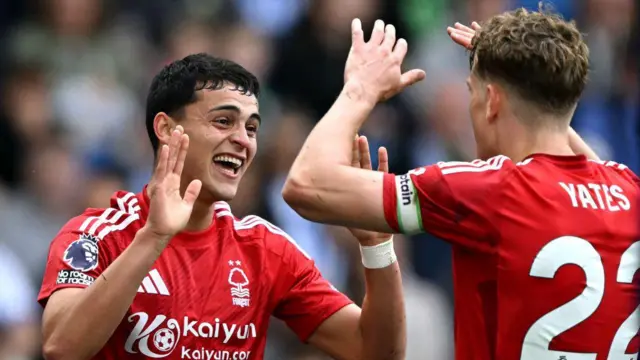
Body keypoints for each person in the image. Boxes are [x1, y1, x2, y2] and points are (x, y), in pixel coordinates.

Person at [283, 9, 640, 360]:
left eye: (473, 91)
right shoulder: (629, 192)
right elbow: (575, 152)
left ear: (492, 102)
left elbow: (306, 184)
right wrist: (537, 86)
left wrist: (359, 90)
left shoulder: (489, 188)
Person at [38, 53, 406, 360]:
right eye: (223, 122)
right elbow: (61, 347)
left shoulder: (264, 249)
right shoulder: (96, 235)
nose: (242, 141)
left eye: (252, 128)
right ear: (166, 129)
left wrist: (377, 246)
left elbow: (373, 350)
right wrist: (155, 236)